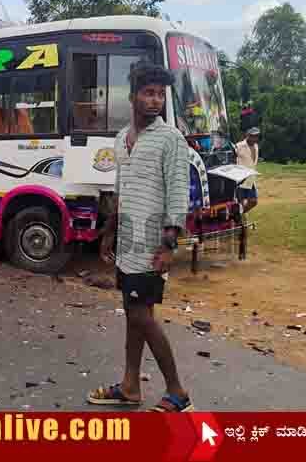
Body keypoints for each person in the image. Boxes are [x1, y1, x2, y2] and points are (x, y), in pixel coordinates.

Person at [88, 61, 192, 412]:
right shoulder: (121, 138)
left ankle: (177, 391)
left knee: (142, 316)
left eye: (160, 94)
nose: (155, 100)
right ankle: (131, 386)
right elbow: (121, 190)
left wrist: (169, 243)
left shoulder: (171, 138)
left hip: (151, 246)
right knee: (133, 312)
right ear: (132, 96)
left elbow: (178, 194)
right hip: (127, 244)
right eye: (148, 93)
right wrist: (108, 233)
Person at [235, 127, 261, 213]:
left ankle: (240, 214)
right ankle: (240, 218)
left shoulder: (256, 146)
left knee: (254, 201)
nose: (255, 138)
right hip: (241, 180)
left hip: (251, 179)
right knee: (241, 202)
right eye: (253, 136)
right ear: (248, 135)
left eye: (256, 136)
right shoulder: (239, 146)